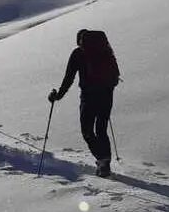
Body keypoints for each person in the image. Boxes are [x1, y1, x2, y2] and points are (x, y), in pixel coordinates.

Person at [48, 29, 120, 178]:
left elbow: (69, 78)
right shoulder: (105, 50)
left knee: (87, 131)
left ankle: (102, 160)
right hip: (107, 95)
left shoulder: (78, 53)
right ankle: (105, 163)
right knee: (101, 129)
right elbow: (115, 76)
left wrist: (58, 96)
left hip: (89, 97)